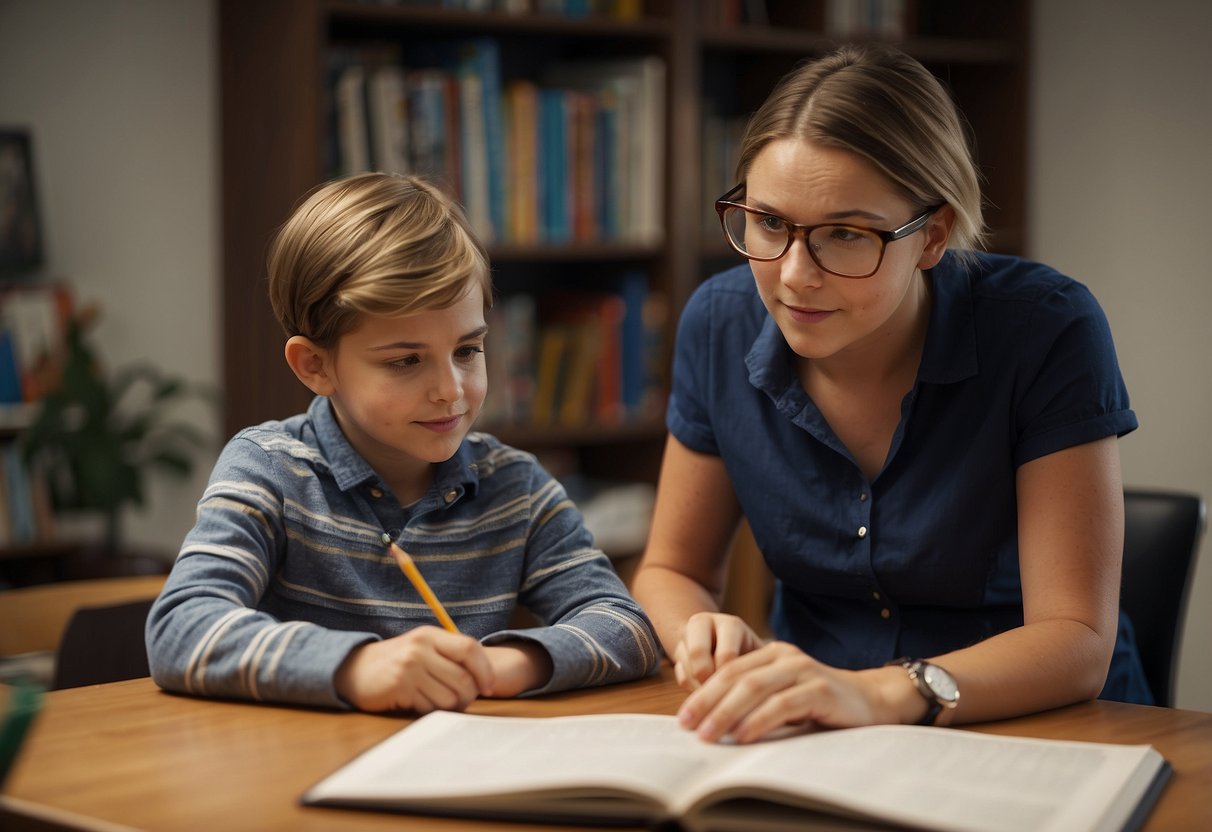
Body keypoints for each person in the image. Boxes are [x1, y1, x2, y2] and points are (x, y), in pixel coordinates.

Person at [631, 43, 1150, 744]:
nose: (792, 276)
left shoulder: (1044, 329)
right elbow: (672, 568)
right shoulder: (717, 323)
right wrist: (697, 630)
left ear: (932, 235)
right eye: (769, 223)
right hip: (817, 734)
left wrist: (877, 693)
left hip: (1046, 733)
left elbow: (1076, 639)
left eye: (844, 234)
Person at [146, 173, 659, 712]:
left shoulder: (516, 486)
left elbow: (627, 627)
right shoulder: (269, 471)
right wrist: (355, 667)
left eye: (467, 351)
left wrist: (503, 664)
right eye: (405, 361)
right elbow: (182, 628)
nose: (451, 390)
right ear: (315, 365)